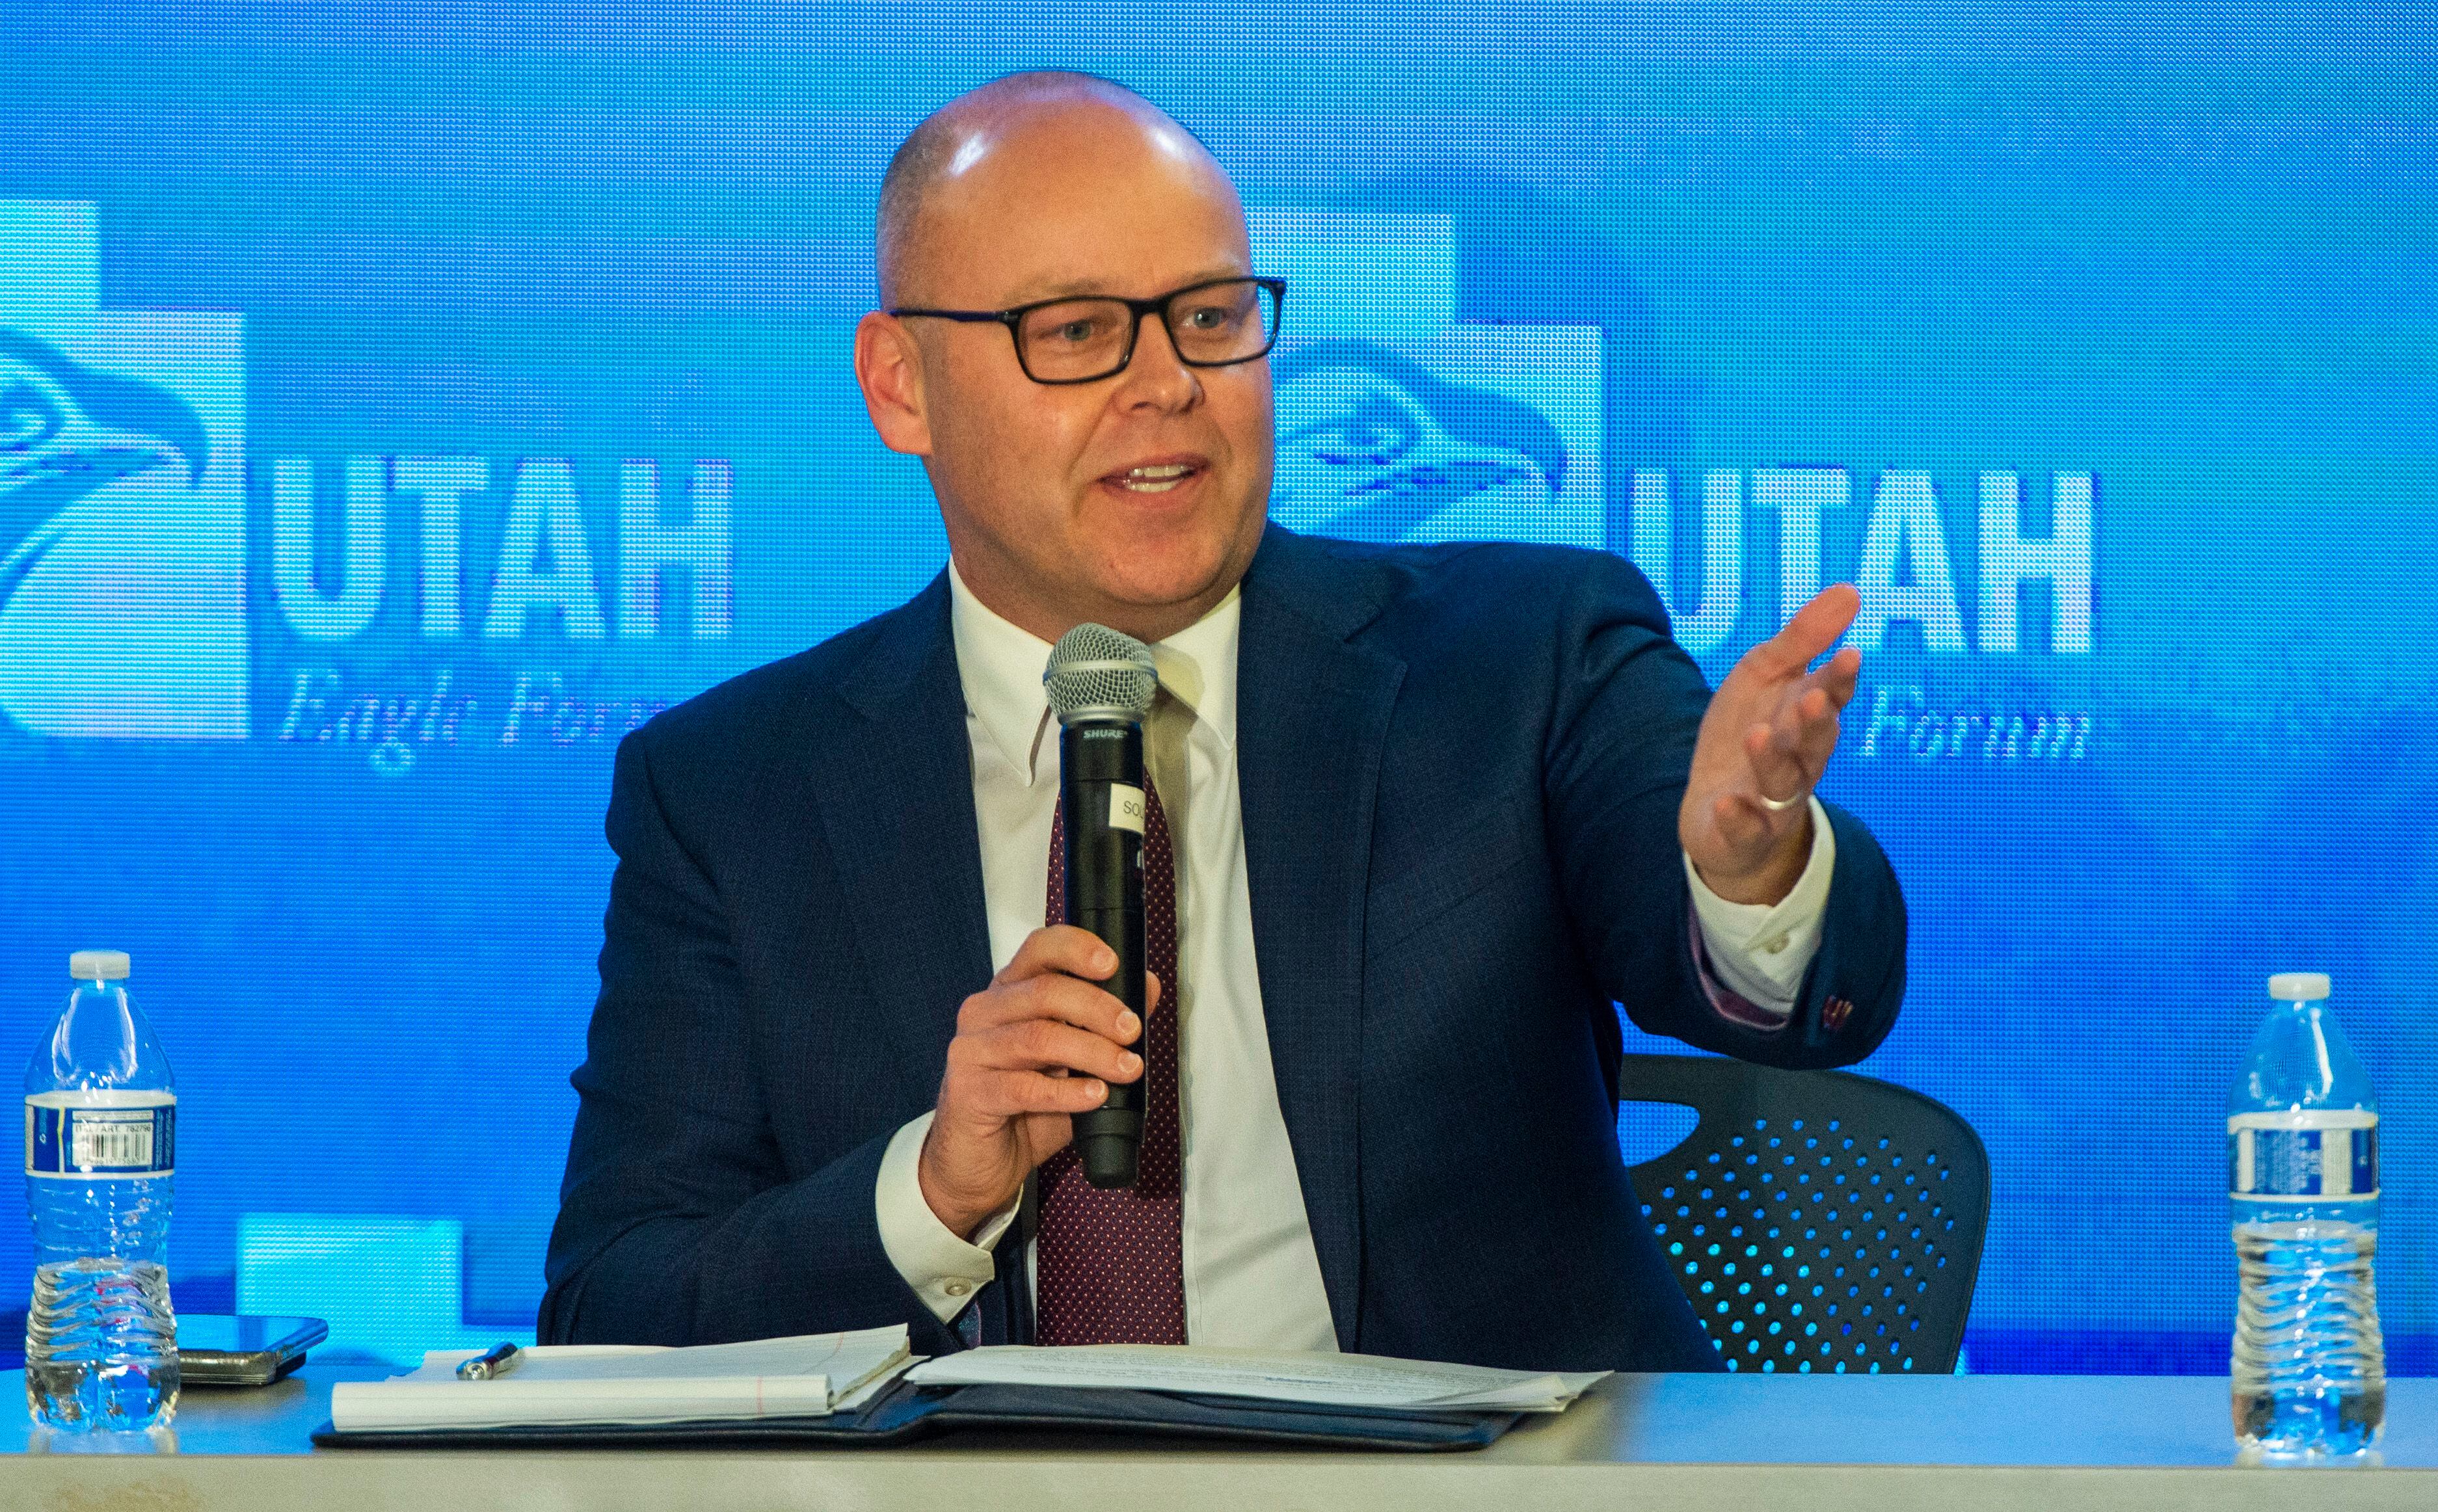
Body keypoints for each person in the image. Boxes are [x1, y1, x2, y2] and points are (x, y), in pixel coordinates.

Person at [538, 72, 1906, 1373]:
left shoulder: (1517, 658)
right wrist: (932, 1188)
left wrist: (1746, 872)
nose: (1167, 384)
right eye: (1076, 331)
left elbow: (1784, 983)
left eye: (1205, 315)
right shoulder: (729, 790)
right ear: (901, 385)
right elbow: (615, 1303)